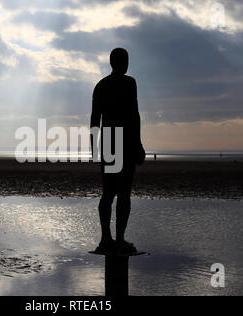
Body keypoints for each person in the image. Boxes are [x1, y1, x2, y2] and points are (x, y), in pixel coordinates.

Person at [90, 48, 145, 253]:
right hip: (124, 141)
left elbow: (95, 120)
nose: (127, 63)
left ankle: (108, 238)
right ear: (117, 62)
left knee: (110, 193)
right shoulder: (129, 83)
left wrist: (94, 147)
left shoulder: (101, 85)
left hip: (109, 142)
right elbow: (134, 114)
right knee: (121, 193)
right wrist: (138, 143)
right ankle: (115, 239)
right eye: (125, 60)